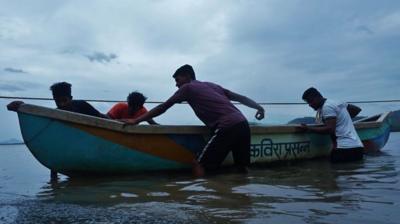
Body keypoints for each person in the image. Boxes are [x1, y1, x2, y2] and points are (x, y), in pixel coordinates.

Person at [124, 64, 265, 176]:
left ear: (187, 76)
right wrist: (259, 107)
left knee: (199, 164)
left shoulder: (188, 88)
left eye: (177, 80)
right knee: (242, 169)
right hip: (242, 124)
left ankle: (203, 204)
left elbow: (163, 107)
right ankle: (244, 198)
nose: (176, 85)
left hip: (227, 126)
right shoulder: (212, 85)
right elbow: (240, 97)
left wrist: (136, 121)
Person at [300, 87, 364, 162]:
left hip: (343, 149)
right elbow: (356, 109)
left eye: (311, 101)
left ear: (318, 97)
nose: (310, 105)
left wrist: (308, 129)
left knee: (336, 172)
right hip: (358, 147)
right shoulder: (336, 102)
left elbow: (330, 129)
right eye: (308, 102)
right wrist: (342, 119)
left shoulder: (327, 107)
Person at [7, 82, 107, 119]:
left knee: (121, 106)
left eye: (64, 100)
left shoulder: (81, 105)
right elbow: (40, 115)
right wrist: (21, 107)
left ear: (71, 98)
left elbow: (100, 117)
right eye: (58, 101)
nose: (61, 104)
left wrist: (118, 122)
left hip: (112, 116)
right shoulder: (56, 114)